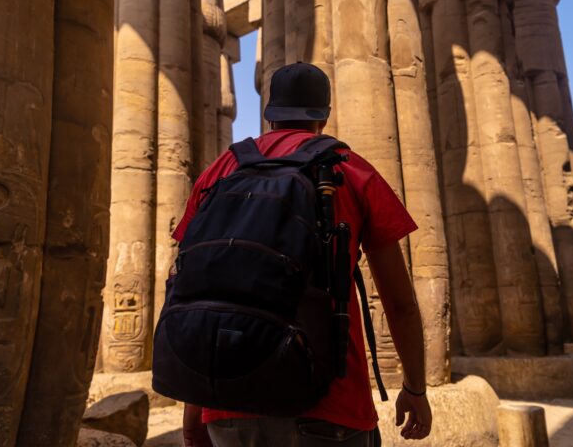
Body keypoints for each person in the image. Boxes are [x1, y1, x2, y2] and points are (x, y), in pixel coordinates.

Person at [171, 62, 433, 446]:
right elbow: (399, 303)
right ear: (324, 116)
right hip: (331, 406)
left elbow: (192, 286)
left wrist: (196, 406)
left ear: (270, 113)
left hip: (228, 406)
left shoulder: (220, 171)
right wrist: (415, 388)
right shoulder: (352, 170)